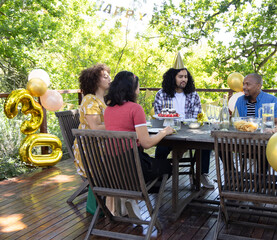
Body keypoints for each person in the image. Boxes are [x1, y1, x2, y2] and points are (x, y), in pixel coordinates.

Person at [104, 70, 174, 220]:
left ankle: (130, 196)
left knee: (149, 162)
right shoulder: (135, 108)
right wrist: (163, 132)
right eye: (138, 87)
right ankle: (136, 193)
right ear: (131, 88)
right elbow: (147, 143)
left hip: (111, 167)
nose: (139, 90)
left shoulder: (108, 109)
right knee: (168, 167)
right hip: (132, 167)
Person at [153, 52, 214, 189]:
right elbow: (158, 114)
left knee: (205, 145)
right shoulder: (161, 94)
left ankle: (202, 173)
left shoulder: (193, 95)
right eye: (180, 76)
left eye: (186, 77)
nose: (184, 79)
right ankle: (158, 175)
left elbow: (196, 115)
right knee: (161, 148)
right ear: (172, 77)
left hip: (189, 132)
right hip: (169, 132)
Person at [72, 63, 113, 215]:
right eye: (105, 76)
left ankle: (114, 205)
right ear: (95, 81)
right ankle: (106, 206)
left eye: (109, 75)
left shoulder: (104, 100)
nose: (109, 78)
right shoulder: (90, 100)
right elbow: (95, 127)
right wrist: (117, 124)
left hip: (102, 148)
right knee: (123, 165)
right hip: (90, 151)